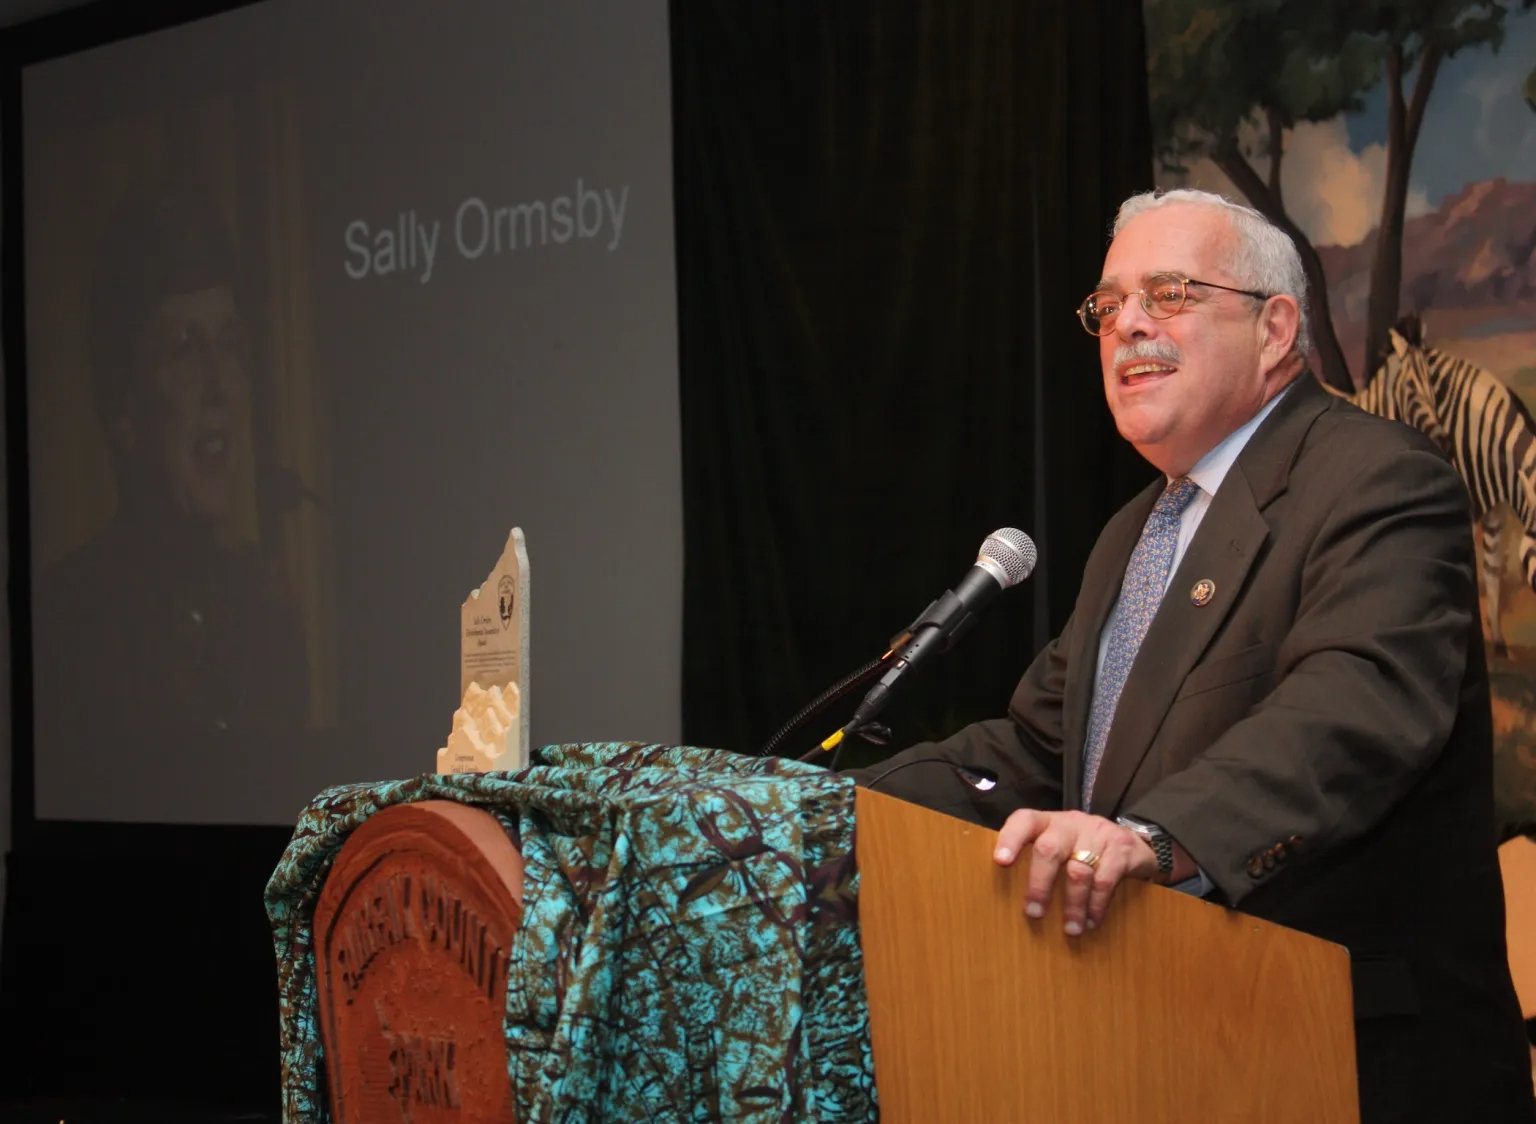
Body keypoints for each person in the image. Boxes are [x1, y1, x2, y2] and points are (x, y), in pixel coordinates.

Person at [846, 189, 1534, 1122]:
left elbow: (1351, 708)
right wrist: (823, 815)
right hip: (1163, 1051)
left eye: (1169, 293)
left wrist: (1155, 837)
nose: (1128, 324)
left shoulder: (1379, 480)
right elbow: (1037, 752)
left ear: (1275, 329)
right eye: (1108, 305)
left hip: (1355, 1064)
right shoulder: (1137, 530)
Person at [33, 190, 310, 818]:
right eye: (184, 349)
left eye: (231, 345)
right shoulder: (65, 622)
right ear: (124, 413)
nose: (218, 386)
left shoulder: (269, 615)